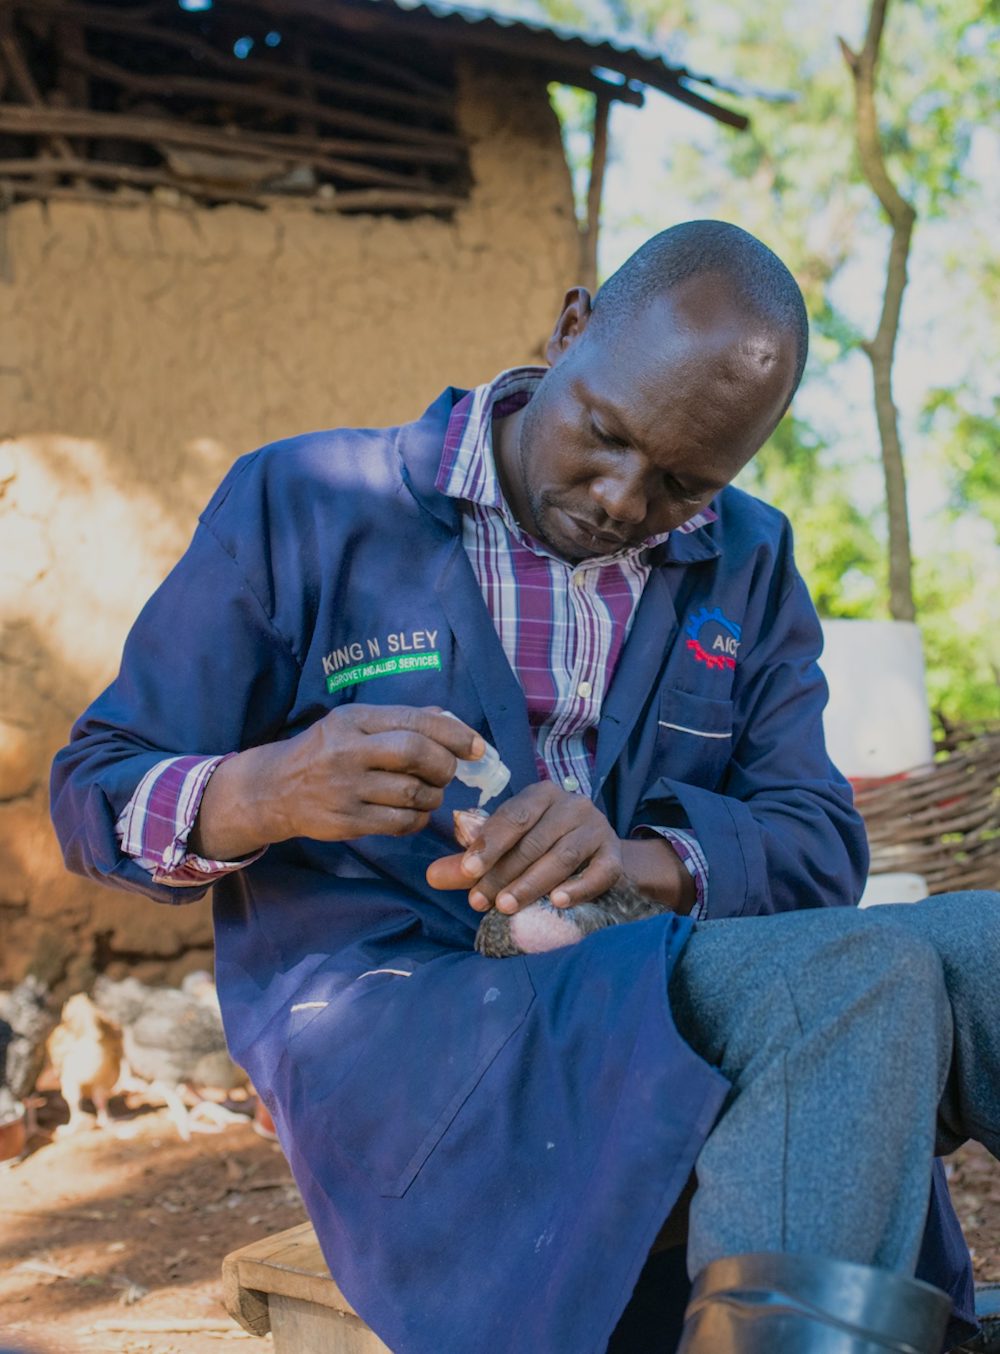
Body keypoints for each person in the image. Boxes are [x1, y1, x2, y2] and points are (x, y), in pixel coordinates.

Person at [50, 221, 995, 1353]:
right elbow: (93, 792)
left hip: (646, 972)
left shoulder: (747, 558)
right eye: (604, 433)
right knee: (856, 976)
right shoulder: (305, 502)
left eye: (684, 485)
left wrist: (636, 860)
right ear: (569, 327)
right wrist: (272, 786)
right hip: (408, 1025)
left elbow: (813, 844)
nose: (618, 497)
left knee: (978, 950)